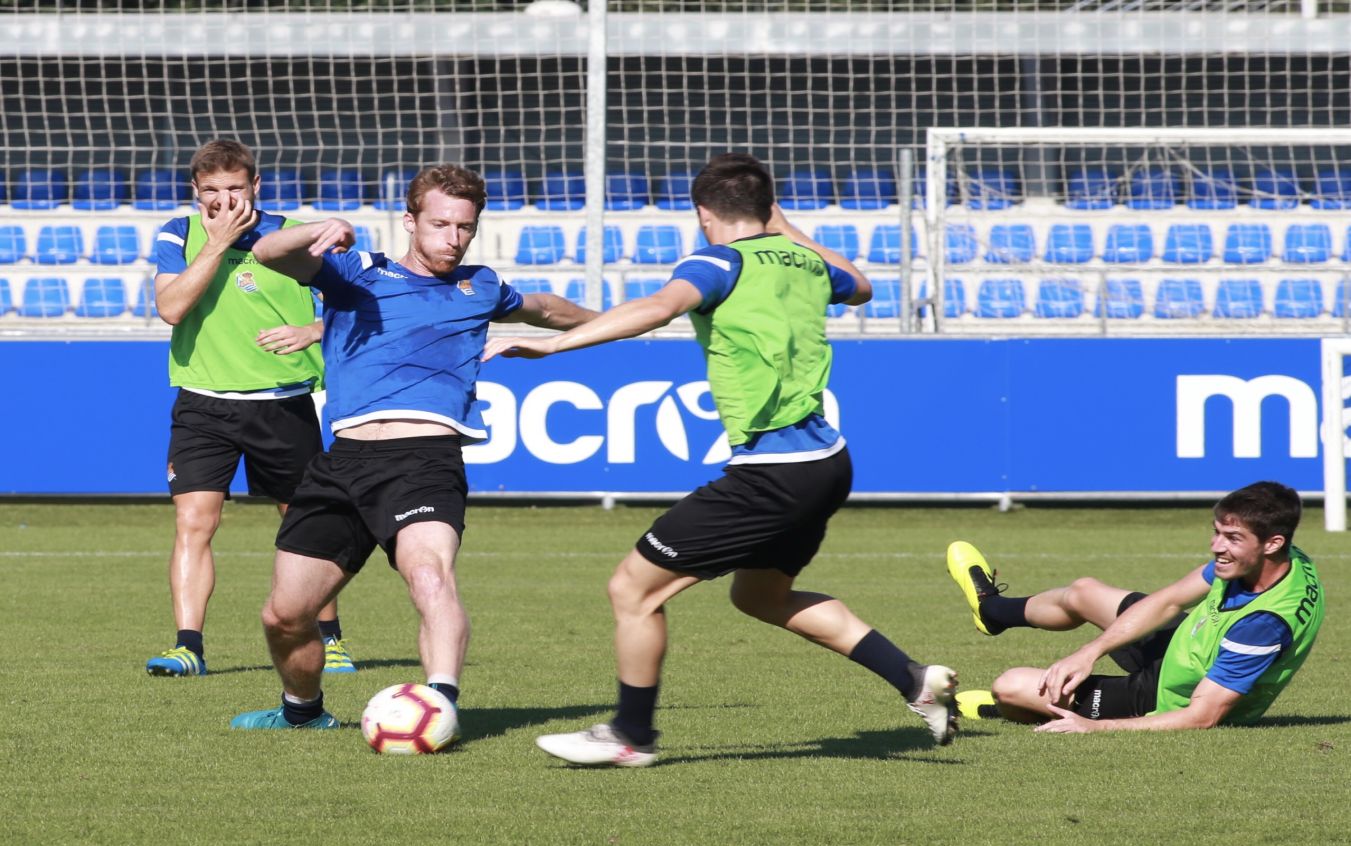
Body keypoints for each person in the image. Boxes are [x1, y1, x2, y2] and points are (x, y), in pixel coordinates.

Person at [483, 152, 959, 767]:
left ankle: (632, 736)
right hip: (827, 460)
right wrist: (783, 228)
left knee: (633, 589)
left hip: (774, 473)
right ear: (768, 210)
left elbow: (659, 306)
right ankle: (914, 680)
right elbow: (862, 285)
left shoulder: (716, 261)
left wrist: (556, 344)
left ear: (704, 215)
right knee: (760, 597)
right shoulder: (807, 261)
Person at [229, 163, 596, 732]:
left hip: (425, 459)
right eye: (441, 224)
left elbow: (547, 309)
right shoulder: (358, 273)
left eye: (465, 228)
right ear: (410, 220)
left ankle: (440, 705)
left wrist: (620, 324)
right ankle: (302, 712)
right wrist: (321, 227)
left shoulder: (482, 286)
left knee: (430, 575)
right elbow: (271, 253)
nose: (453, 238)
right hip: (342, 463)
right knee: (284, 615)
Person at [148, 139, 355, 677]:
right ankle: (188, 646)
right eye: (211, 192)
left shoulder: (290, 237)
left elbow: (360, 303)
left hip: (282, 402)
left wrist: (312, 329)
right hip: (202, 402)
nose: (223, 201)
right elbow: (170, 308)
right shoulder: (180, 234)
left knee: (305, 523)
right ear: (195, 192)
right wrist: (217, 244)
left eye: (235, 189)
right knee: (194, 521)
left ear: (256, 187)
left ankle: (329, 638)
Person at [946, 481, 1325, 733]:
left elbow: (1203, 716)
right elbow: (1170, 600)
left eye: (1231, 538)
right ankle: (992, 611)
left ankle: (1011, 708)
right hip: (1184, 645)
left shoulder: (1263, 625)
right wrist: (1089, 652)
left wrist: (1098, 728)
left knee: (1010, 686)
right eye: (1217, 532)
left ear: (1272, 543)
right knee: (1084, 591)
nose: (1216, 546)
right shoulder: (1265, 558)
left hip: (1168, 696)